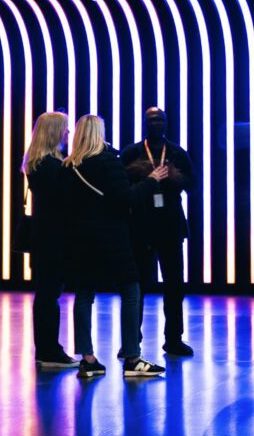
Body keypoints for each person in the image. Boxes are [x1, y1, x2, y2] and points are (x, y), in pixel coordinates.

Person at [60, 114, 162, 380]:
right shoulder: (109, 162)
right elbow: (125, 199)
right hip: (111, 237)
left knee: (84, 295)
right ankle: (132, 356)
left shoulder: (69, 167)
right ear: (99, 133)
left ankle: (88, 359)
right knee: (131, 289)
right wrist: (151, 181)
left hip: (80, 240)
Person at [120, 105, 194, 358]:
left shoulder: (176, 152)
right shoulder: (131, 153)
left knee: (174, 286)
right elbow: (120, 188)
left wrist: (174, 177)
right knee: (136, 287)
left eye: (160, 120)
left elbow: (193, 184)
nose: (156, 124)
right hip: (140, 228)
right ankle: (132, 342)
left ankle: (173, 339)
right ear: (144, 123)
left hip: (171, 228)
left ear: (167, 123)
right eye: (152, 120)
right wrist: (141, 176)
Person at [21, 111, 75, 369]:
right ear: (55, 132)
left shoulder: (36, 163)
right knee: (49, 295)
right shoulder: (53, 166)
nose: (68, 134)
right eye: (65, 129)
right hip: (53, 238)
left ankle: (46, 349)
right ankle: (49, 350)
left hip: (43, 236)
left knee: (45, 294)